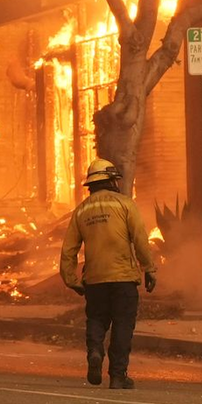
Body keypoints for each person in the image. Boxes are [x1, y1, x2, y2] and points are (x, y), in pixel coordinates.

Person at [60, 157, 157, 390]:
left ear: (91, 185)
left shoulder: (81, 211)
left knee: (96, 319)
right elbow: (140, 239)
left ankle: (95, 351)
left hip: (95, 279)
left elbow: (68, 250)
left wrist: (72, 280)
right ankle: (117, 375)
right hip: (123, 277)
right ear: (111, 182)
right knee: (123, 325)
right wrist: (149, 268)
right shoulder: (125, 204)